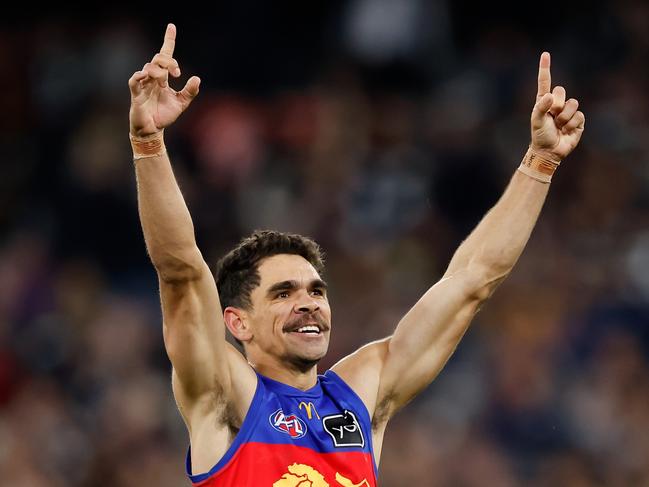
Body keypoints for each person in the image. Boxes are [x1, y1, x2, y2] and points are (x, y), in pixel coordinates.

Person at [128, 23, 585, 487]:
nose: (309, 302)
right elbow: (181, 270)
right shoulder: (227, 396)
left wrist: (540, 164)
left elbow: (473, 280)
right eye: (283, 292)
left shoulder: (359, 396)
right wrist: (149, 145)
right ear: (238, 322)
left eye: (316, 290)